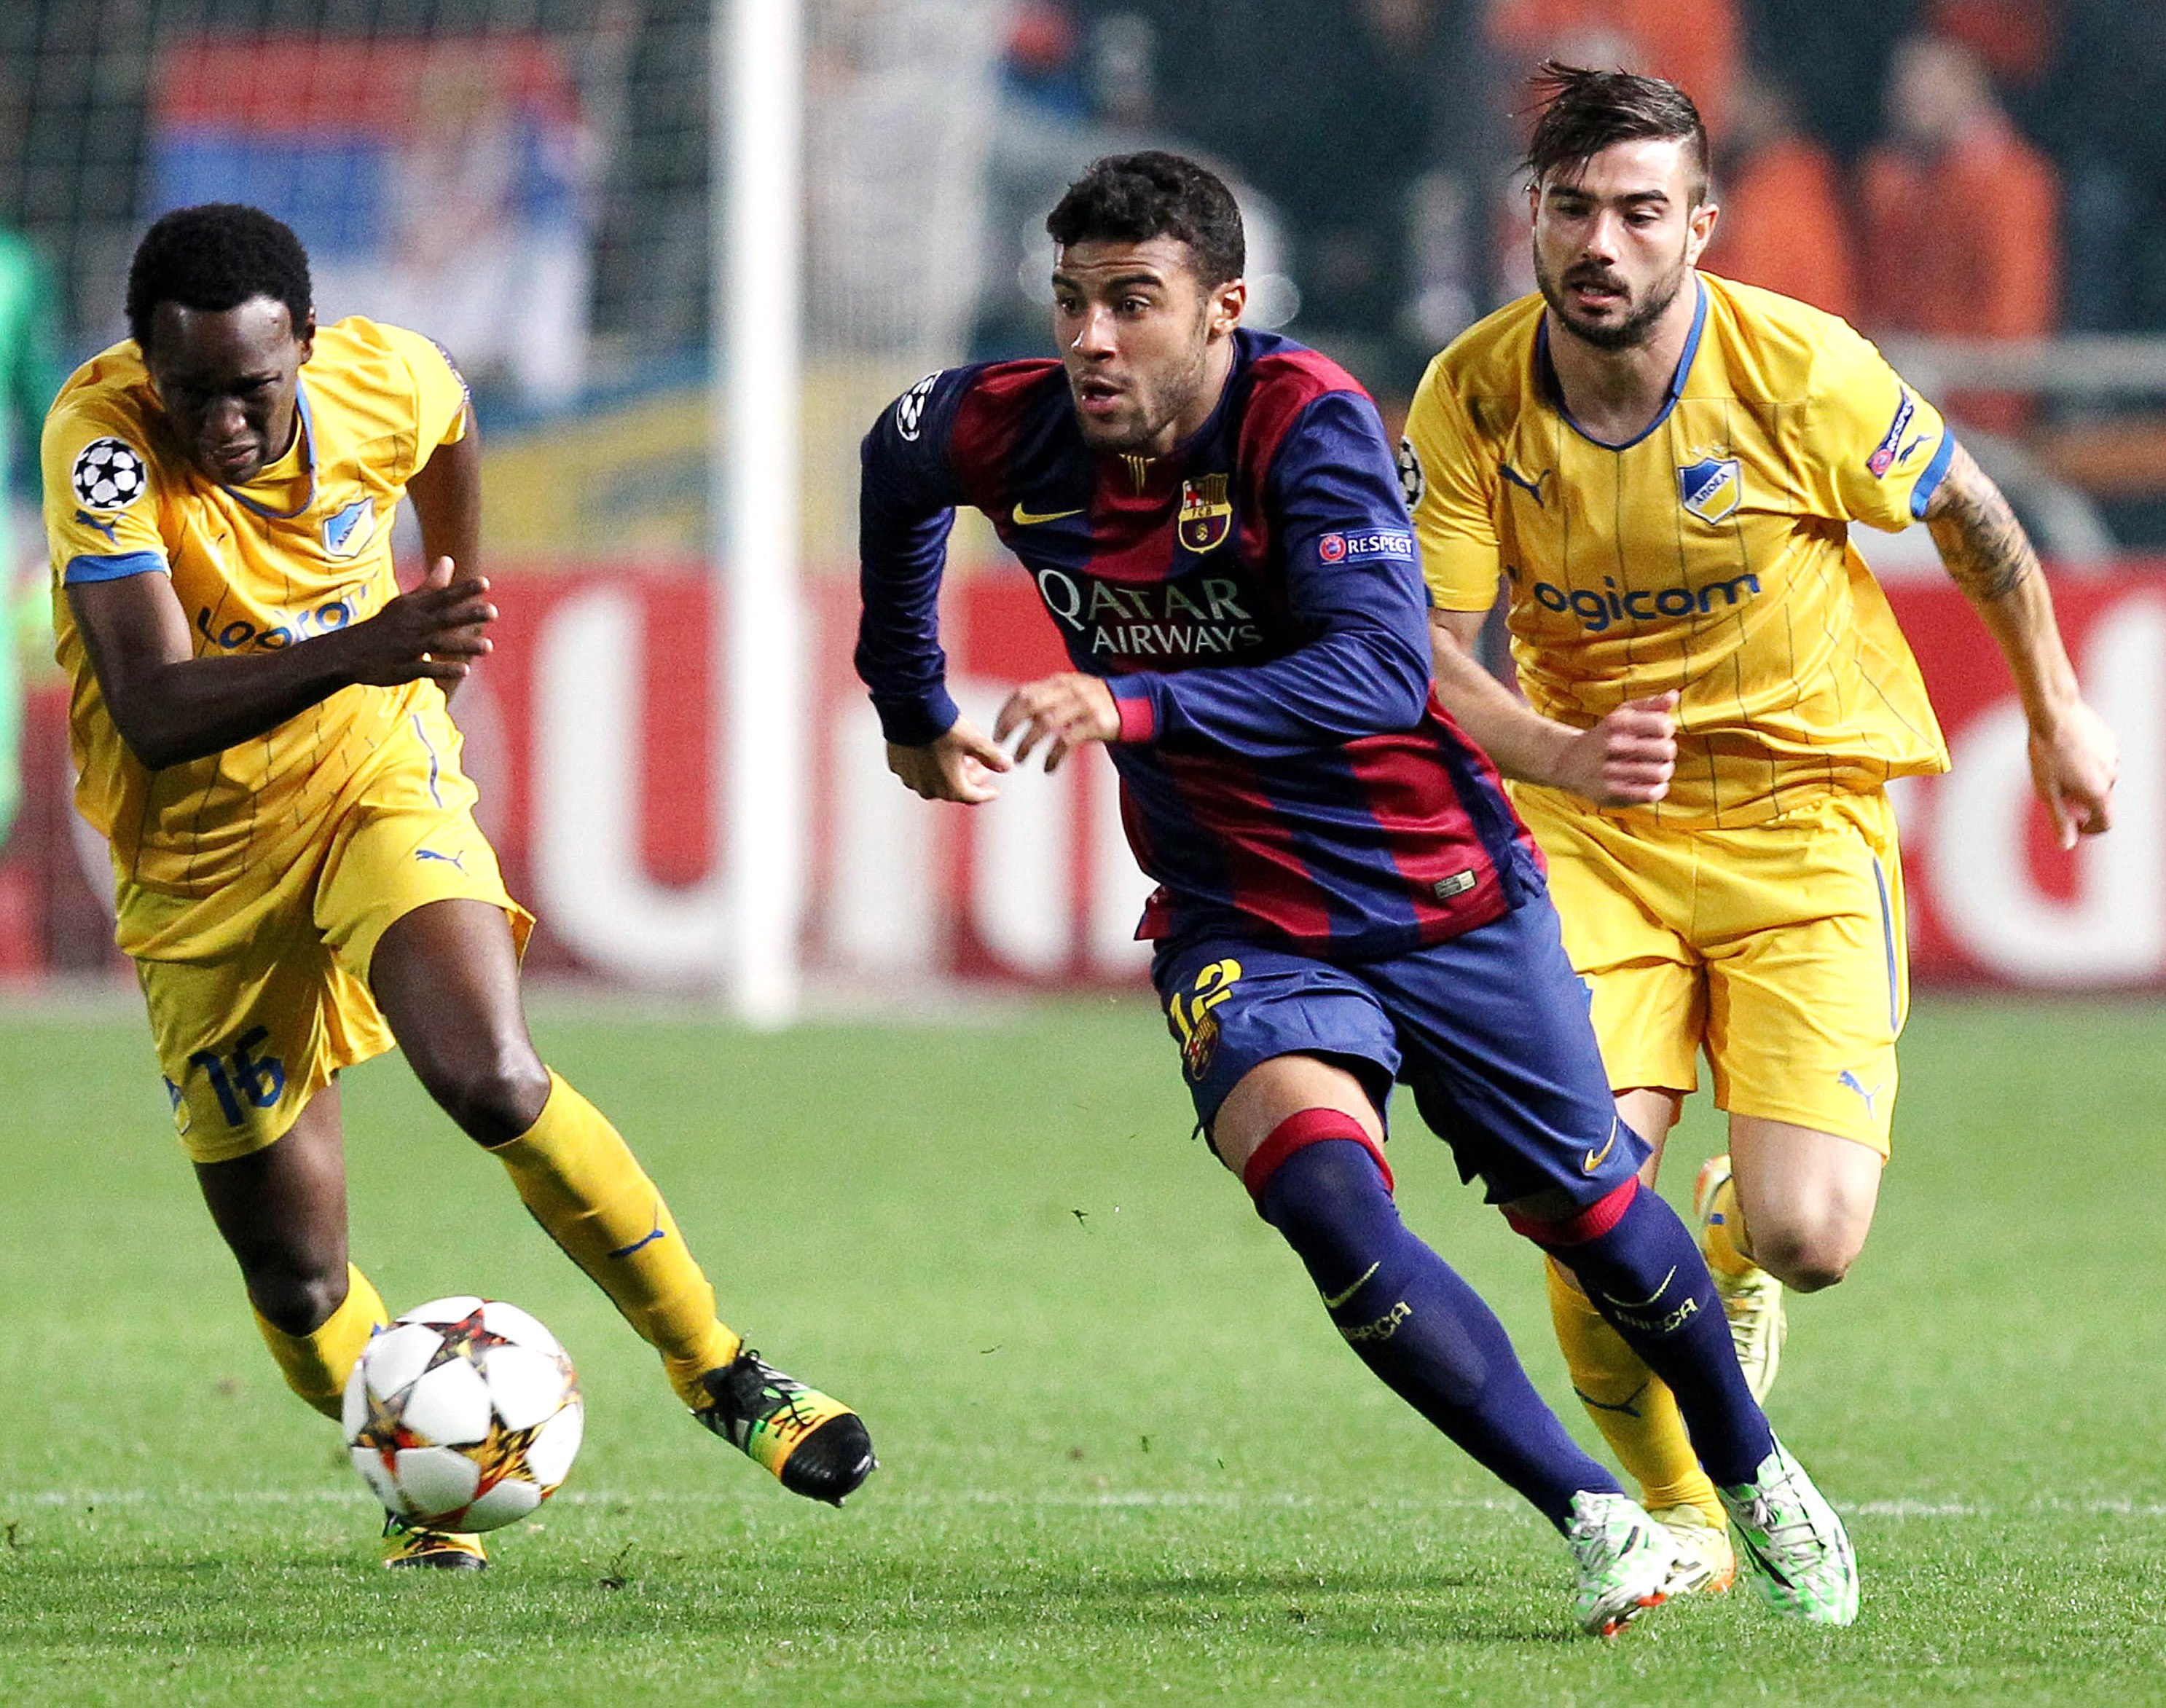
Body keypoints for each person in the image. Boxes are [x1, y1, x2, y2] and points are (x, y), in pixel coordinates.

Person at [857, 149, 1858, 1634]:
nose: (1089, 339)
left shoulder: (1306, 425)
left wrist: (1132, 709)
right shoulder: (1008, 423)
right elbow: (900, 455)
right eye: (1070, 301)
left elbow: (1380, 671)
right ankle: (1594, 1514)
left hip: (1435, 886)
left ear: (1223, 310)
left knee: (1587, 1212)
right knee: (1321, 1191)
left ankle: (1753, 1464)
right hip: (1238, 911)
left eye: (1134, 303)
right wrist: (906, 698)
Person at [44, 204, 873, 1570]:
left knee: (490, 1075)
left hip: (375, 780)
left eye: (255, 389)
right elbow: (151, 709)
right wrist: (369, 640)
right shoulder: (104, 450)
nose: (225, 423)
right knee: (296, 1272)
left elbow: (450, 424)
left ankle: (724, 1373)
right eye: (189, 391)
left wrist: (460, 580)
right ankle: (418, 1472)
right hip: (194, 871)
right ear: (143, 363)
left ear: (306, 346)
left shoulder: (387, 375)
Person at [1402, 65, 2115, 1597]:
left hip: (1798, 818)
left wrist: (2054, 708)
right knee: (1574, 1185)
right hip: (1593, 827)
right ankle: (1682, 1510)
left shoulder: (1798, 367)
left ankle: (1726, 1235)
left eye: (1638, 212)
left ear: (1699, 228)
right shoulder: (1466, 392)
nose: (1601, 241)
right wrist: (1561, 754)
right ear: (1530, 215)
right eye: (1573, 207)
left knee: (1809, 1233)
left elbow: (1975, 517)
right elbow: (1434, 657)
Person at [1857, 33, 2059, 433]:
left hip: (1979, 412)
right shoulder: (1898, 183)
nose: (1909, 98)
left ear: (1969, 88)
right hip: (1908, 400)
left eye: (1929, 84)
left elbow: (2013, 320)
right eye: (1905, 85)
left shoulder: (2010, 183)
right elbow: (1882, 297)